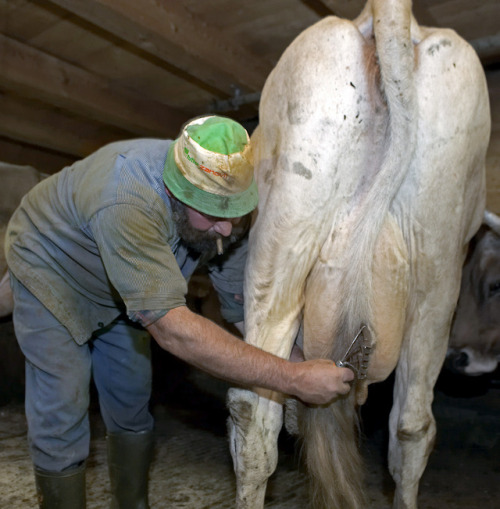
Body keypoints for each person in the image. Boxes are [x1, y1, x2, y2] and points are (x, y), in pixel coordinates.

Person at [5, 115, 354, 508]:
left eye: (234, 212)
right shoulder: (128, 198)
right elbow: (174, 331)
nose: (226, 229)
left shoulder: (226, 215)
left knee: (132, 395)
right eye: (213, 214)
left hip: (123, 285)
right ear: (178, 192)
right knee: (63, 407)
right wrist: (292, 379)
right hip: (53, 269)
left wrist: (289, 355)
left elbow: (237, 303)